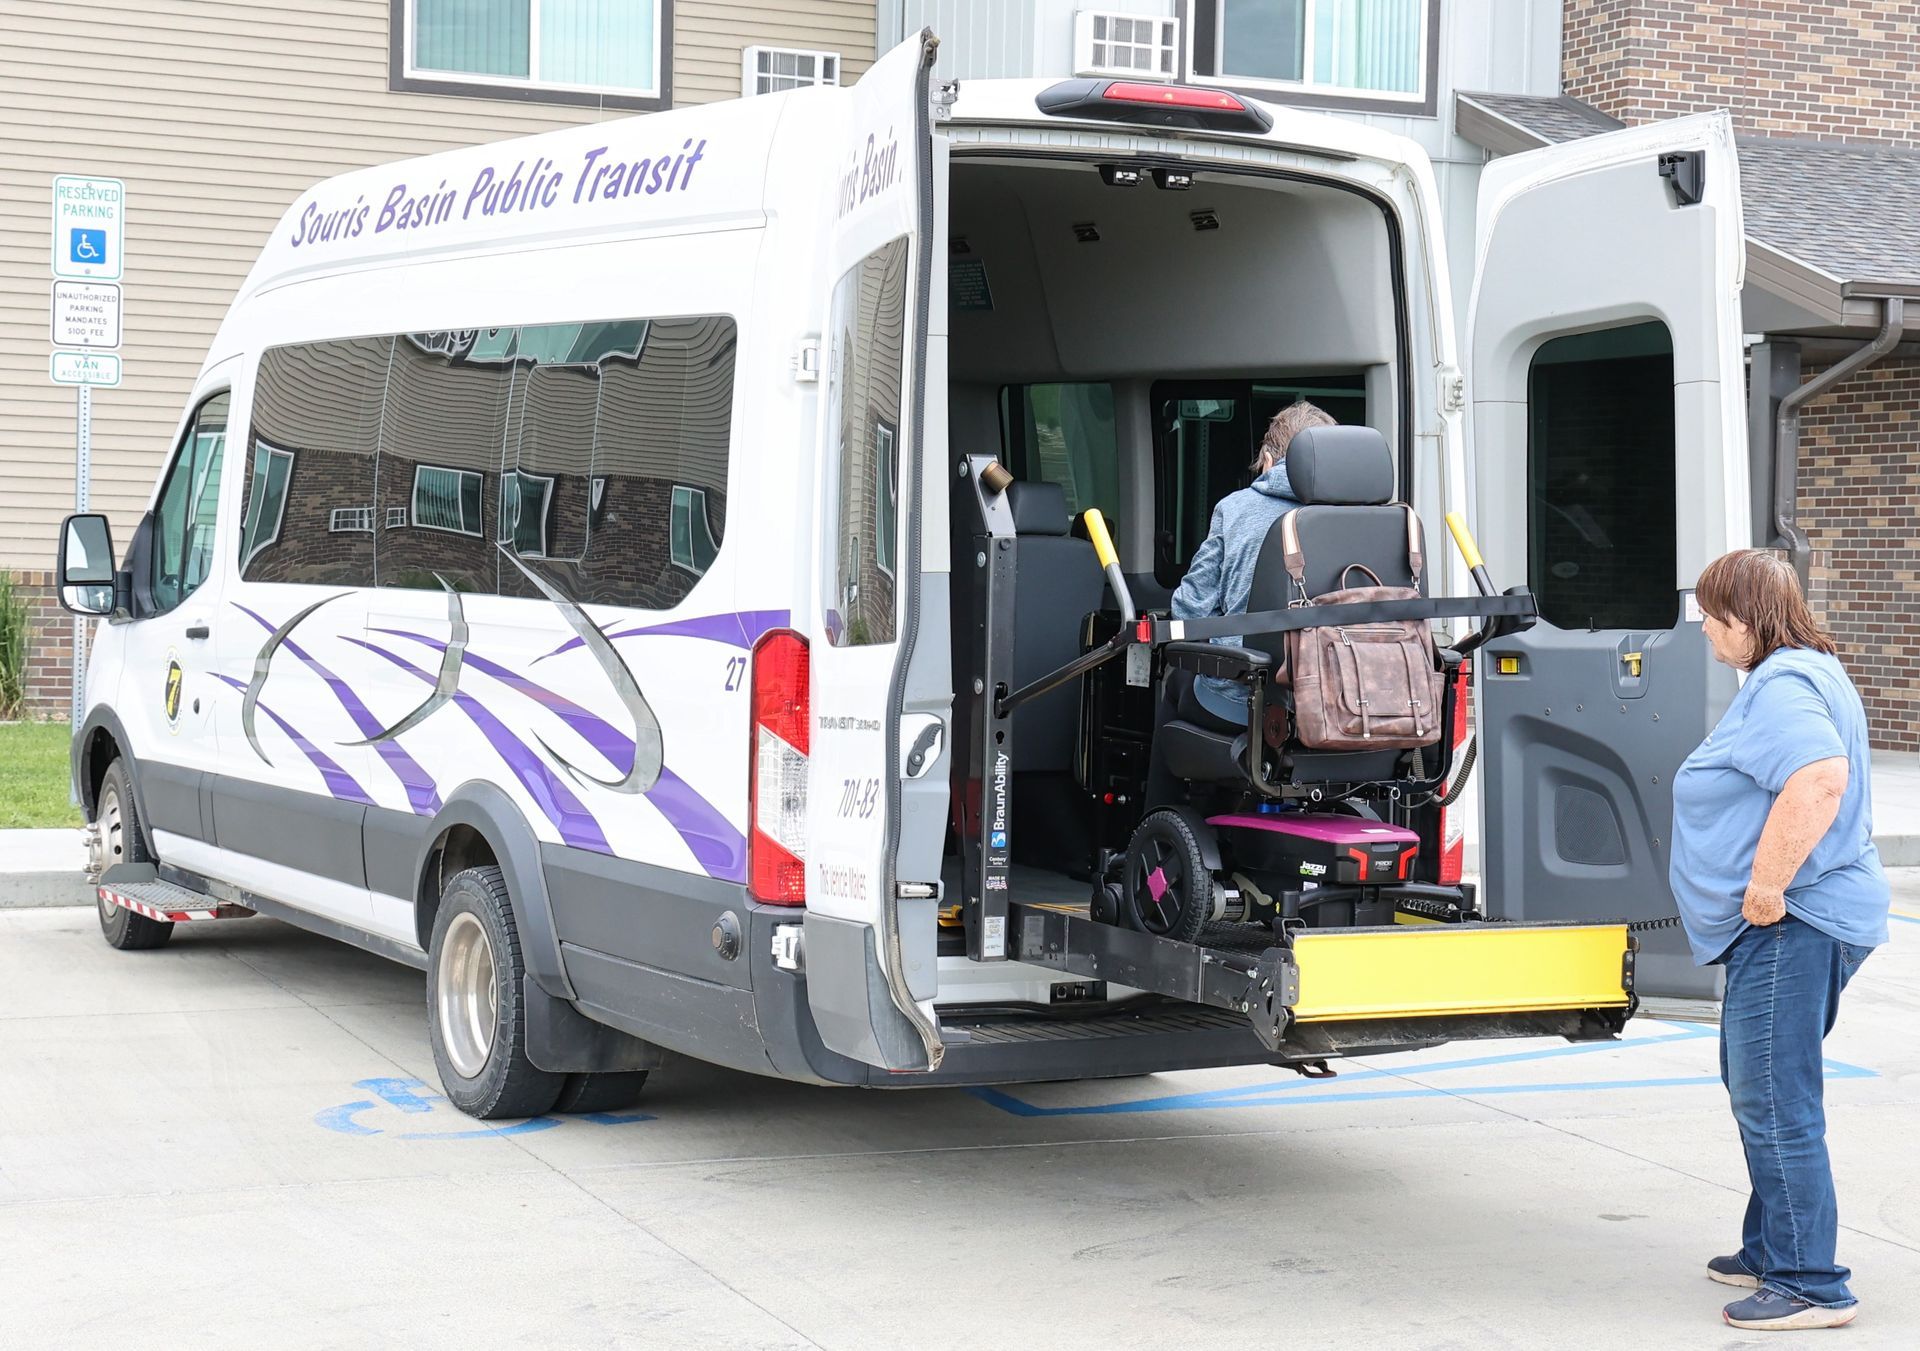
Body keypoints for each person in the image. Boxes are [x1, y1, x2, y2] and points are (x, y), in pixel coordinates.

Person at [1670, 549, 1889, 1332]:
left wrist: (1766, 882)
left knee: (1772, 1091)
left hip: (1797, 918)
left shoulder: (1785, 684)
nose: (1704, 626)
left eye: (1712, 613)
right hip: (1814, 915)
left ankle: (1807, 1280)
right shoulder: (1808, 668)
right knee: (1759, 1075)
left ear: (1748, 619)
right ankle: (1772, 1245)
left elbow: (1819, 777)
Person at [1169, 399, 1335, 728]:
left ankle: (1175, 781)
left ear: (1269, 460)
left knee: (1179, 683)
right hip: (1346, 701)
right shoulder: (1378, 519)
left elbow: (1190, 612)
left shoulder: (1236, 509)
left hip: (1248, 699)